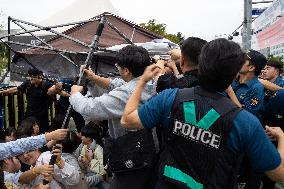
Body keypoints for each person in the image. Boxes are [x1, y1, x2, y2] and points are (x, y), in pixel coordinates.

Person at [121, 38, 284, 188]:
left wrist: (142, 81)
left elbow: (128, 120)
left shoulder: (170, 98)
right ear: (234, 74)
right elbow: (279, 174)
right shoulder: (244, 122)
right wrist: (282, 137)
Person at [69, 45, 156, 189]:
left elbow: (89, 109)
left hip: (131, 155)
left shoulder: (127, 94)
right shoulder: (150, 82)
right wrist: (93, 78)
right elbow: (117, 84)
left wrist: (75, 94)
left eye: (118, 67)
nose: (118, 69)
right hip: (149, 150)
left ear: (126, 70)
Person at [0, 68, 59, 133]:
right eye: (30, 76)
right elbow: (17, 89)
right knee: (24, 131)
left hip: (41, 116)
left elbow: (53, 89)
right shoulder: (27, 83)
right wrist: (3, 91)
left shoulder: (46, 84)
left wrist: (57, 87)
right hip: (29, 114)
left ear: (39, 76)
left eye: (33, 76)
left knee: (41, 134)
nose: (31, 78)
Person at [229, 50, 267, 118]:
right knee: (204, 123)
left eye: (242, 60)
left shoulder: (257, 88)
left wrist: (230, 92)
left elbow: (246, 116)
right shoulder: (233, 79)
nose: (238, 62)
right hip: (220, 117)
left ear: (251, 68)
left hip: (236, 125)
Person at [0, 129, 68, 160]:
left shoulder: (45, 159)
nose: (25, 156)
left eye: (29, 151)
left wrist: (48, 137)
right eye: (21, 153)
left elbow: (16, 146)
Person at [74, 122, 106, 188]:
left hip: (98, 178)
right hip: (88, 174)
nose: (81, 137)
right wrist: (82, 159)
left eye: (82, 135)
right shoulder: (85, 147)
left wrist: (90, 160)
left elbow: (103, 170)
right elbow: (81, 160)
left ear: (88, 138)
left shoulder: (98, 149)